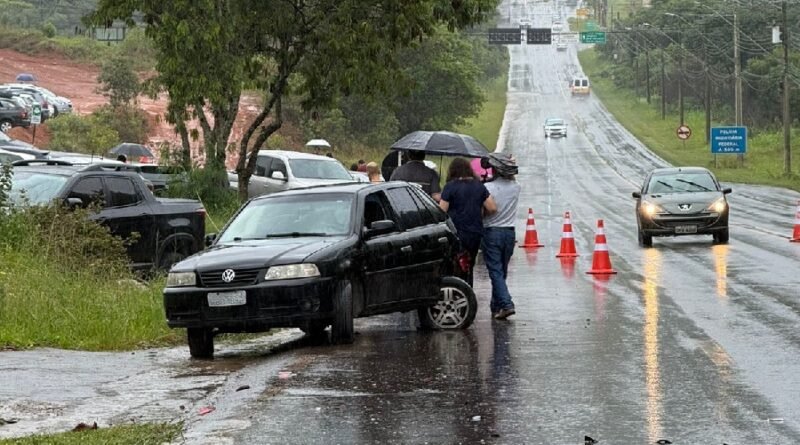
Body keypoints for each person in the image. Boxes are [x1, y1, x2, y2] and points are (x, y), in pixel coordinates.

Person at [439, 157, 496, 286]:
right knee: (469, 264)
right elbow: (492, 207)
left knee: (457, 264)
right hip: (475, 232)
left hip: (456, 232)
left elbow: (441, 211)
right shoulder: (479, 186)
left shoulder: (450, 187)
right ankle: (469, 287)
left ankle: (459, 290)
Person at [481, 153, 520, 320]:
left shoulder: (488, 189)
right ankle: (496, 306)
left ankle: (506, 303)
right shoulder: (515, 187)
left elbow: (486, 209)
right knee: (501, 271)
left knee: (495, 271)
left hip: (492, 232)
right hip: (509, 232)